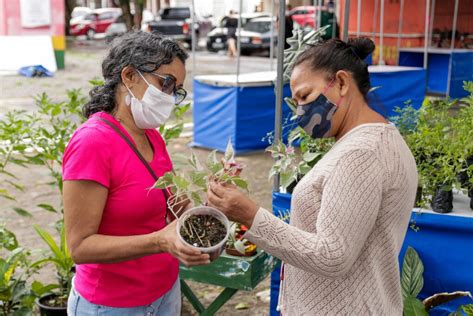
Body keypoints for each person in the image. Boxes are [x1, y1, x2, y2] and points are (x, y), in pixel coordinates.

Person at [208, 38, 418, 314]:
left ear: (342, 83)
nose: (300, 113)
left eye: (305, 97)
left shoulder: (361, 154)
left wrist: (250, 215)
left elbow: (332, 256)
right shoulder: (372, 140)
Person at [63, 31, 209, 315]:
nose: (170, 97)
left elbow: (173, 202)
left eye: (176, 89)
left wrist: (204, 213)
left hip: (164, 292)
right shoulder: (92, 143)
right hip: (112, 304)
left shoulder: (152, 137)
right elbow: (80, 247)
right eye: (165, 83)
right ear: (129, 76)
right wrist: (159, 240)